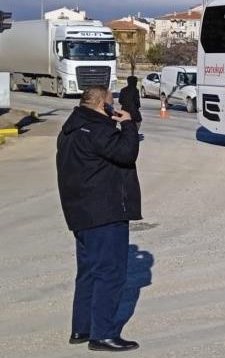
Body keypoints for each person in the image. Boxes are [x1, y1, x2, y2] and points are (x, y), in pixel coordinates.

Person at [56, 86, 142, 352]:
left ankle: (81, 328)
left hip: (80, 212)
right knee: (110, 273)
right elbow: (127, 153)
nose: (113, 106)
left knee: (89, 272)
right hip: (105, 212)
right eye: (110, 102)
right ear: (101, 104)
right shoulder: (98, 129)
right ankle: (102, 334)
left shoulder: (70, 128)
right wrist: (128, 125)